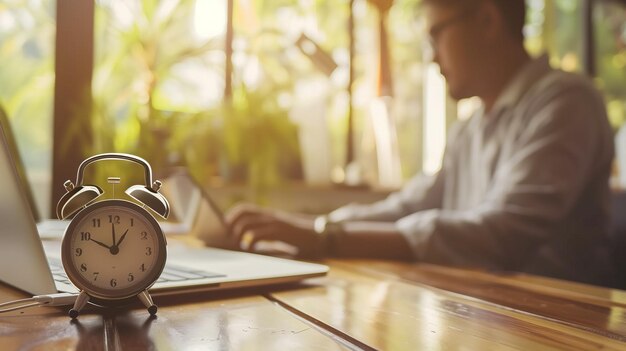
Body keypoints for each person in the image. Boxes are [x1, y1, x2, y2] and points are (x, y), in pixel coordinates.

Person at [225, 0, 617, 286]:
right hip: (480, 307)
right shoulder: (472, 126)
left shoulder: (566, 101)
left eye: (436, 34)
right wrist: (311, 228)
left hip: (555, 323)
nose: (431, 57)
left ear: (486, 18)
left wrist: (323, 236)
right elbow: (412, 204)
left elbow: (502, 232)